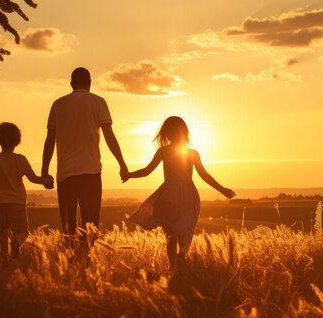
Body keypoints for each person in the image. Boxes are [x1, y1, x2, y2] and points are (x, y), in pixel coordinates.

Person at [122, 116, 236, 271]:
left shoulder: (164, 151)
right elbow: (205, 175)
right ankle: (180, 259)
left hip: (169, 194)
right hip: (186, 195)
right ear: (185, 133)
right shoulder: (191, 153)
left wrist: (129, 175)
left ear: (167, 134)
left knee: (171, 234)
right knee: (184, 229)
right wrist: (222, 189)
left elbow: (146, 171)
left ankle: (174, 266)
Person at [41, 67, 128, 240]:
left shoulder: (58, 104)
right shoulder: (98, 102)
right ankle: (88, 262)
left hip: (65, 174)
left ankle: (69, 264)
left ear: (71, 83)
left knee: (68, 228)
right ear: (90, 83)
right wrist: (122, 164)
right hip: (91, 172)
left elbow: (50, 140)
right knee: (91, 227)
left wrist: (44, 171)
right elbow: (109, 136)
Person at [0, 122, 52, 265]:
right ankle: (16, 242)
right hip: (17, 204)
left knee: (2, 232)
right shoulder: (20, 160)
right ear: (18, 141)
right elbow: (33, 179)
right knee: (22, 232)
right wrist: (46, 181)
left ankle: (3, 258)